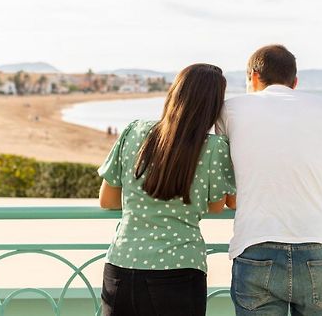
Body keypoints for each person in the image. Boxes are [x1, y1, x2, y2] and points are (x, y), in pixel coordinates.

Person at [216, 44, 322, 316]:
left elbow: (229, 196)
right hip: (319, 247)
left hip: (255, 245)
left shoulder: (229, 110)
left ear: (253, 77)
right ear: (295, 82)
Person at [98, 63, 236, 316]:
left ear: (174, 93)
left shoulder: (134, 131)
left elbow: (107, 199)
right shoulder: (214, 148)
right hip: (180, 268)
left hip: (122, 264)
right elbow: (216, 206)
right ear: (214, 107)